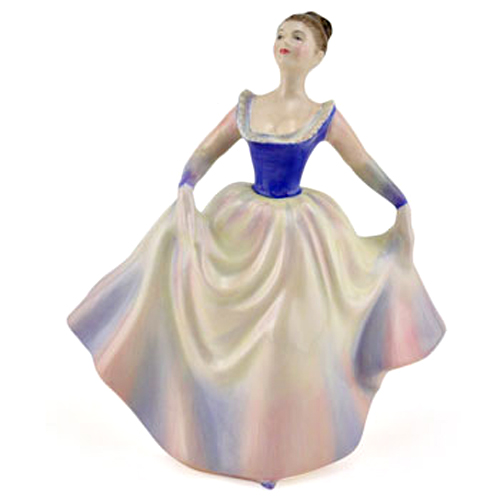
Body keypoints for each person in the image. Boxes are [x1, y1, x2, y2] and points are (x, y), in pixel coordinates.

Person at [67, 11, 446, 489]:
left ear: (319, 55)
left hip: (300, 234)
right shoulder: (249, 107)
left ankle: (275, 448)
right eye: (281, 34)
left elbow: (362, 163)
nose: (285, 41)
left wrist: (400, 202)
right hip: (244, 221)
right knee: (200, 290)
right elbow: (204, 153)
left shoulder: (323, 116)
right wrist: (186, 187)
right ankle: (222, 430)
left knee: (286, 339)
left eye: (298, 37)